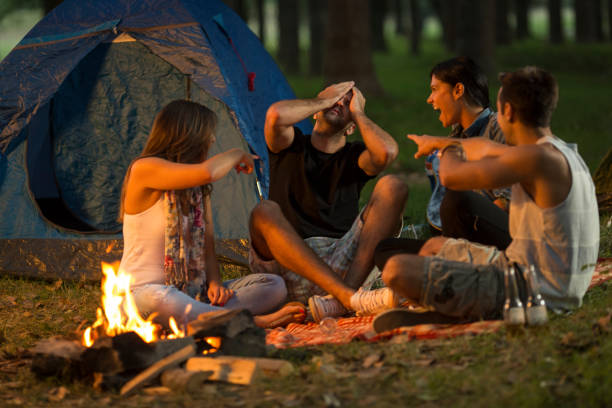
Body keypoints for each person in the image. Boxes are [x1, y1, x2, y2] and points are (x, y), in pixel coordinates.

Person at [380, 67, 599, 322]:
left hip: (536, 293)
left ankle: (457, 313)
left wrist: (447, 149)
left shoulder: (537, 159)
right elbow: (485, 147)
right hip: (528, 272)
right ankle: (454, 304)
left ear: (507, 111)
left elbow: (452, 176)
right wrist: (439, 142)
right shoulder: (554, 151)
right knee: (433, 246)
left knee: (396, 271)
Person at [118, 100, 305, 329]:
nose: (212, 139)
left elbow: (207, 244)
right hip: (142, 295)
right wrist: (237, 153)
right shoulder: (144, 169)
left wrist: (215, 283)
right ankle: (242, 322)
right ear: (187, 134)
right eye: (208, 133)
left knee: (274, 285)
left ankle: (202, 318)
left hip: (193, 293)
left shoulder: (197, 190)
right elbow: (208, 172)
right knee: (157, 298)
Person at [248, 81, 410, 322]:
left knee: (394, 186)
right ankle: (349, 298)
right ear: (315, 110)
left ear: (351, 128)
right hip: (289, 263)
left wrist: (358, 112)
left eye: (347, 102)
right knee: (264, 211)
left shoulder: (354, 157)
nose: (340, 102)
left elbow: (386, 152)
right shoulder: (289, 145)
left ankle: (343, 299)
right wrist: (327, 100)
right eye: (336, 98)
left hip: (344, 262)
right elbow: (276, 115)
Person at [424, 57, 511, 248]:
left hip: (496, 242)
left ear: (458, 90)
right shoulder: (458, 136)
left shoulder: (498, 128)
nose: (429, 99)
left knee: (457, 198)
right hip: (459, 238)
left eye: (434, 89)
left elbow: (505, 202)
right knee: (387, 250)